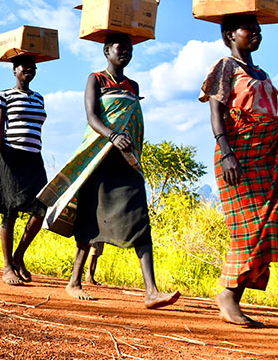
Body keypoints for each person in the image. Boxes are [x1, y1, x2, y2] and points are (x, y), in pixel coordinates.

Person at [37, 33, 180, 307]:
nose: (125, 52)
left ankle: (151, 290)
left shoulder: (133, 85)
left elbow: (135, 121)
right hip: (99, 158)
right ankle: (74, 281)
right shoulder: (96, 79)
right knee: (90, 219)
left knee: (140, 217)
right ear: (106, 51)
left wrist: (127, 146)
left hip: (126, 160)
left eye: (129, 49)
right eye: (120, 47)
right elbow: (91, 117)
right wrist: (113, 136)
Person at [199, 14, 278, 327]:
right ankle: (227, 295)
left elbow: (269, 118)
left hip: (268, 158)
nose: (256, 34)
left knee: (264, 226)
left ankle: (235, 296)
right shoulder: (225, 66)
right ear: (231, 35)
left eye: (259, 30)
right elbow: (216, 109)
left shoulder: (262, 73)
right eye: (250, 29)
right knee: (246, 227)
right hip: (239, 156)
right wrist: (226, 151)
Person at [0, 55, 47, 285]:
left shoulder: (39, 98)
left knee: (41, 209)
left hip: (34, 158)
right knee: (9, 211)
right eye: (24, 67)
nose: (29, 70)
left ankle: (19, 255)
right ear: (14, 70)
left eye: (33, 67)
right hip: (10, 157)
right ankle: (7, 267)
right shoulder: (4, 96)